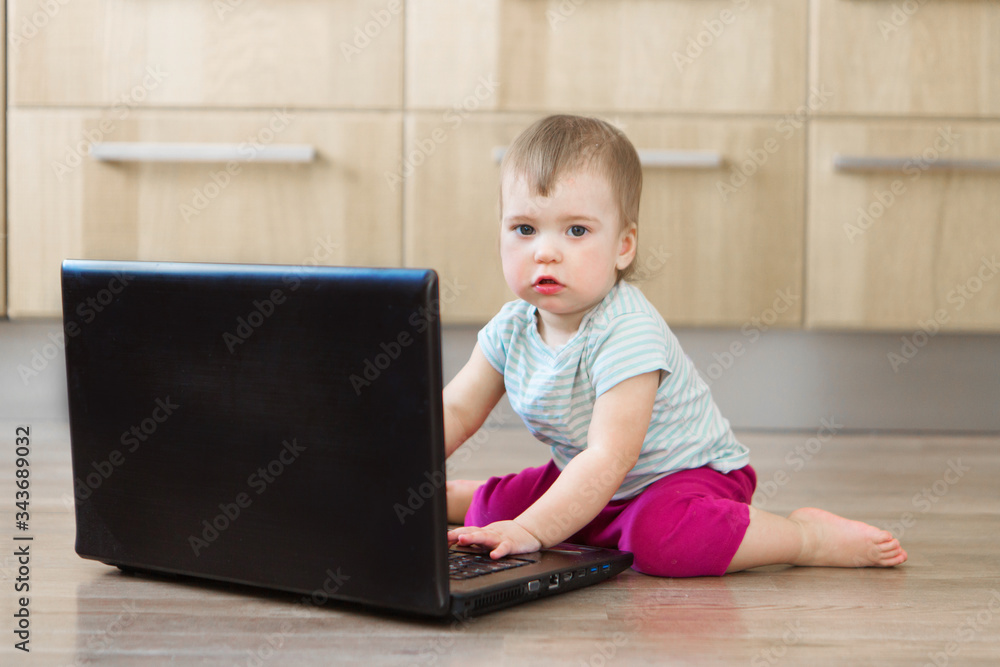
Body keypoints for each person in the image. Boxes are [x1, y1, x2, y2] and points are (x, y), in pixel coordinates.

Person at [443, 114, 907, 577]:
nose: (545, 252)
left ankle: (805, 537)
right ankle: (460, 495)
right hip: (591, 479)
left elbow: (609, 457)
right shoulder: (511, 328)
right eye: (524, 229)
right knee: (491, 521)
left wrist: (533, 529)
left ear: (624, 246)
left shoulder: (626, 331)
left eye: (576, 231)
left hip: (683, 479)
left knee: (660, 544)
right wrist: (398, 462)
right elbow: (456, 411)